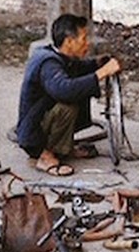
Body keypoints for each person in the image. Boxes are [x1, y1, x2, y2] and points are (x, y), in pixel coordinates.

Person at [15, 13, 122, 176]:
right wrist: (102, 72)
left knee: (78, 86)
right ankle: (44, 156)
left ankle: (64, 148)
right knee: (69, 103)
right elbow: (64, 90)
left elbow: (77, 68)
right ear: (69, 42)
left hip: (41, 120)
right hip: (32, 133)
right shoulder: (48, 63)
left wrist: (97, 64)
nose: (87, 44)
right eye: (83, 39)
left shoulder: (59, 55)